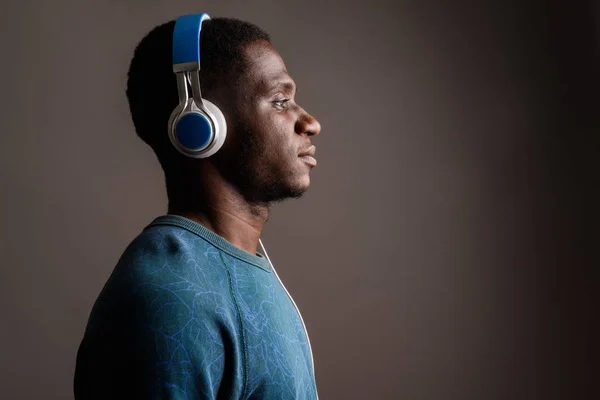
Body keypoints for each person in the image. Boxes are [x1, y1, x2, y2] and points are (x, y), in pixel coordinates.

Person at [74, 13, 321, 400]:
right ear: (200, 124)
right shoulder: (168, 297)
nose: (310, 122)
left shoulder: (237, 266)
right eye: (280, 101)